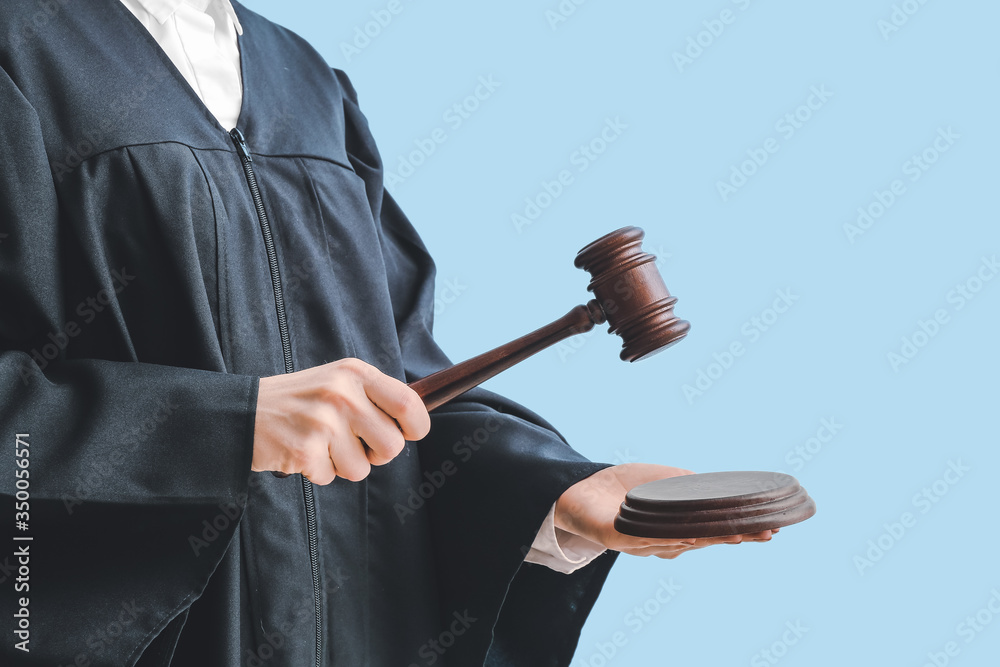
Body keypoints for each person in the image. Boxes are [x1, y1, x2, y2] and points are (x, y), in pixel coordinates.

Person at [0, 1, 774, 665]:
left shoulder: (306, 82)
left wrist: (554, 492)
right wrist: (227, 427)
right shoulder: (21, 55)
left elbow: (399, 387)